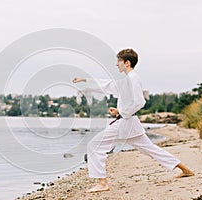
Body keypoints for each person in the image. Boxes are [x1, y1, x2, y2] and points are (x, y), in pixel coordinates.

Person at [72, 48, 194, 193]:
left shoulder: (133, 79)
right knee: (151, 149)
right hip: (129, 123)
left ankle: (102, 183)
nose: (117, 65)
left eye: (119, 62)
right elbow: (109, 85)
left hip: (125, 123)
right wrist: (84, 80)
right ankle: (186, 170)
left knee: (94, 146)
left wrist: (122, 112)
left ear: (127, 63)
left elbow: (139, 102)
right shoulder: (128, 80)